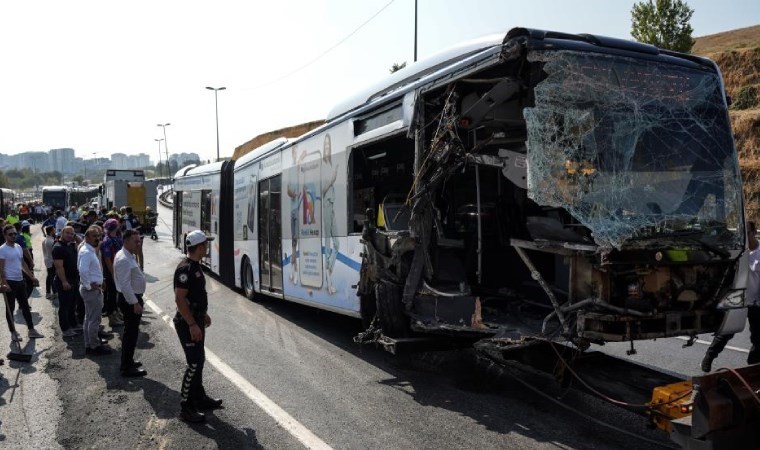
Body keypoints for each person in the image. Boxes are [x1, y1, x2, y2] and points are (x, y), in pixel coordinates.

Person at [174, 230, 222, 423]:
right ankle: (186, 407)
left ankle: (199, 398)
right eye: (206, 244)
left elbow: (195, 296)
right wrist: (193, 323)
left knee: (199, 361)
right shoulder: (185, 269)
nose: (208, 247)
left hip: (197, 319)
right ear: (200, 247)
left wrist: (203, 314)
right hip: (188, 323)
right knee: (193, 364)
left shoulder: (195, 266)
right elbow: (179, 299)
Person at [702, 220, 760, 371]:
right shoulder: (738, 250)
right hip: (737, 297)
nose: (744, 238)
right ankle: (709, 356)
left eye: (747, 233)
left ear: (754, 233)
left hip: (756, 301)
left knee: (758, 337)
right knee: (727, 331)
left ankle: (753, 366)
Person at [0, 224, 44, 341]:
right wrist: (4, 283)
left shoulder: (18, 247)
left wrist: (31, 276)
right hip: (10, 282)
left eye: (15, 233)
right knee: (10, 308)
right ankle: (13, 332)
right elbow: (1, 269)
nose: (14, 236)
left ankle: (31, 330)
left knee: (25, 306)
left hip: (20, 281)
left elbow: (22, 264)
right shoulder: (2, 249)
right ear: (5, 235)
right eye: (10, 234)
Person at [114, 229, 147, 377]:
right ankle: (126, 367)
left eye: (139, 240)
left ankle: (129, 360)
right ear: (126, 241)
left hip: (132, 298)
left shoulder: (128, 255)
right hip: (130, 300)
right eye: (136, 241)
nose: (138, 243)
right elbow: (125, 285)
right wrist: (135, 303)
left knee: (132, 333)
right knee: (130, 334)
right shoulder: (123, 259)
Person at [78, 226, 111, 356]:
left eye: (98, 236)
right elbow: (82, 270)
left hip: (92, 289)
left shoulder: (88, 249)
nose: (97, 238)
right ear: (86, 238)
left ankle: (89, 344)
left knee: (89, 318)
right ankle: (94, 346)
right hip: (91, 291)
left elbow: (90, 270)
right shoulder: (87, 251)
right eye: (94, 236)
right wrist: (88, 285)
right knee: (94, 319)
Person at [53, 225, 82, 337]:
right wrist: (64, 282)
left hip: (74, 279)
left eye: (72, 233)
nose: (70, 235)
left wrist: (74, 236)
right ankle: (65, 329)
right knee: (64, 306)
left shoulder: (71, 245)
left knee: (72, 304)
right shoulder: (58, 247)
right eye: (67, 233)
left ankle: (73, 324)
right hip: (64, 281)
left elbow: (82, 244)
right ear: (62, 233)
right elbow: (59, 267)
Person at [101, 219, 124, 327]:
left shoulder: (116, 237)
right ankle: (112, 317)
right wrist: (113, 273)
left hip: (118, 270)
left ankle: (116, 313)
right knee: (112, 294)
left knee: (116, 294)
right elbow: (107, 258)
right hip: (111, 272)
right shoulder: (108, 240)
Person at [42, 225, 57, 300]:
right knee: (52, 277)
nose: (55, 230)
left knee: (49, 276)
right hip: (51, 261)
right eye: (54, 229)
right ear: (51, 231)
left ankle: (49, 292)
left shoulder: (45, 240)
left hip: (47, 260)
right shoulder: (51, 241)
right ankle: (53, 292)